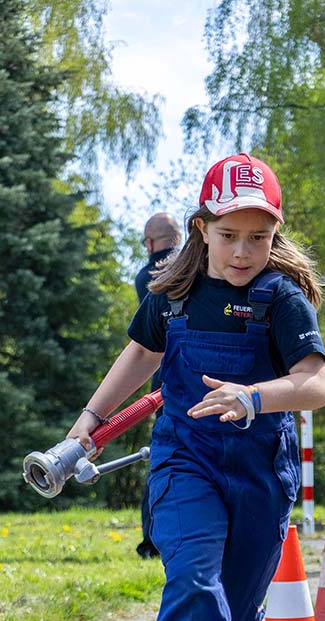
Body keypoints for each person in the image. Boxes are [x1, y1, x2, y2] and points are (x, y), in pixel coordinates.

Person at [67, 154, 325, 621]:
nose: (243, 251)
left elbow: (315, 385)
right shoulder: (174, 296)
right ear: (202, 228)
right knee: (192, 577)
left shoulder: (281, 301)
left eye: (259, 238)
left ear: (276, 236)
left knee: (237, 609)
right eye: (229, 235)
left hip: (260, 470)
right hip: (185, 459)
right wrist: (86, 426)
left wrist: (252, 396)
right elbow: (142, 354)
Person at [133, 213, 183, 559]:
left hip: (164, 383)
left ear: (151, 243)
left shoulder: (146, 276)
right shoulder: (196, 268)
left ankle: (152, 539)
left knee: (163, 457)